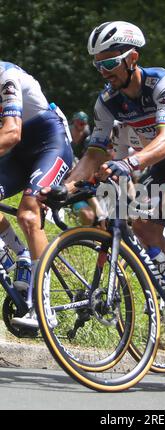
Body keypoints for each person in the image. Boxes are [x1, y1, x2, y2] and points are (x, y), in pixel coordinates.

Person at [61, 21, 165, 324]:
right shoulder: (107, 102)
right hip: (162, 158)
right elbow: (94, 153)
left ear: (132, 58)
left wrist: (129, 162)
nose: (104, 72)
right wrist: (66, 187)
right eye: (98, 65)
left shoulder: (163, 84)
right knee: (142, 224)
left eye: (110, 63)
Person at [0, 61, 73, 328]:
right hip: (19, 157)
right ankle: (20, 256)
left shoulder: (6, 77)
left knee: (28, 214)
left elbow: (11, 133)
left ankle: (44, 308)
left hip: (50, 144)